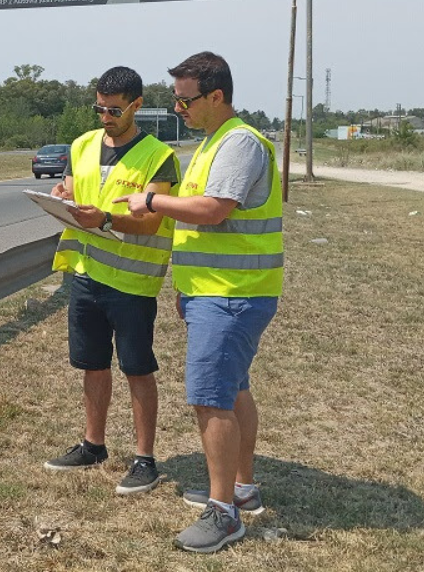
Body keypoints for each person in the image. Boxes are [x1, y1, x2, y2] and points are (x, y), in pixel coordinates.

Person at [118, 51, 283, 553]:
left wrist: (152, 201)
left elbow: (212, 210)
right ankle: (241, 487)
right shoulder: (214, 142)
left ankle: (223, 514)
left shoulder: (237, 142)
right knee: (232, 391)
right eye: (175, 99)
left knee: (210, 398)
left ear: (217, 96)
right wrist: (187, 290)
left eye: (186, 100)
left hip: (229, 295)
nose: (178, 109)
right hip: (215, 291)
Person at [44, 65, 180, 497]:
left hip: (132, 283)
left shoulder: (159, 156)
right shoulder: (81, 144)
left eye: (114, 109)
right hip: (86, 276)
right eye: (99, 107)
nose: (105, 116)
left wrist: (105, 217)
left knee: (137, 369)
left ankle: (145, 460)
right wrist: (63, 196)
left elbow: (154, 222)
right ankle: (93, 445)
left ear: (136, 106)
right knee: (93, 364)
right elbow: (69, 187)